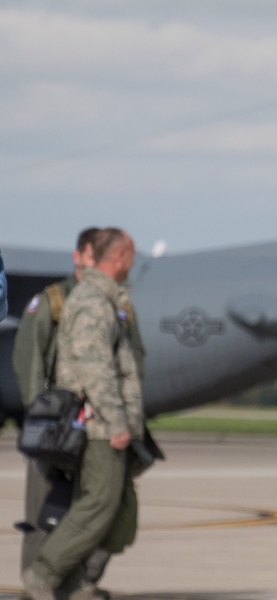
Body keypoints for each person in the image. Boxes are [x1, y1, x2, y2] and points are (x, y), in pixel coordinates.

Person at [22, 228, 145, 600]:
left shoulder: (103, 298)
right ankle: (43, 575)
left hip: (102, 423)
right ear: (119, 256)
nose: (133, 263)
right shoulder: (93, 301)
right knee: (99, 504)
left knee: (108, 507)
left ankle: (73, 583)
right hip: (99, 426)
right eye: (131, 255)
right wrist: (118, 422)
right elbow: (96, 370)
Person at [13, 228, 101, 583]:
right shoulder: (52, 302)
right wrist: (42, 419)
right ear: (78, 257)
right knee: (44, 508)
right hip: (56, 425)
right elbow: (28, 361)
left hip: (94, 424)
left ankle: (79, 579)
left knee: (95, 507)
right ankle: (36, 579)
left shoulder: (108, 303)